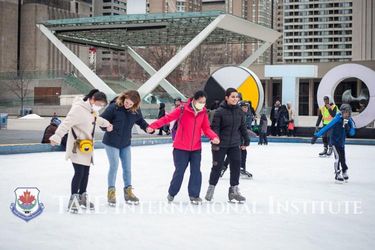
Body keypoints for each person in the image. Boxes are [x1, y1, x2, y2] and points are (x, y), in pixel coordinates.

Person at [148, 90, 220, 205]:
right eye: (200, 102)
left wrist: (213, 136)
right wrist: (153, 126)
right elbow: (167, 119)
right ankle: (172, 193)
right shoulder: (182, 109)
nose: (202, 104)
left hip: (196, 148)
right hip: (181, 148)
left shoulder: (203, 112)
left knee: (196, 171)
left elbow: (206, 128)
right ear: (194, 100)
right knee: (179, 171)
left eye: (204, 102)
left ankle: (194, 195)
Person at [49, 89, 113, 213]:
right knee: (79, 173)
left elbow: (97, 119)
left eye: (102, 106)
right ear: (92, 100)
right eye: (99, 104)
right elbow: (66, 124)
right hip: (76, 147)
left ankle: (83, 197)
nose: (99, 107)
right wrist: (57, 136)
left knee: (86, 173)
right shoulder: (78, 109)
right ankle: (73, 200)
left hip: (86, 147)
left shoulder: (91, 110)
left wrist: (107, 124)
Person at [100, 90, 151, 206]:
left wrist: (147, 127)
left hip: (125, 143)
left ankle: (128, 193)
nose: (127, 105)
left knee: (127, 168)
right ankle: (111, 193)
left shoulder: (135, 110)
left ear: (135, 104)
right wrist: (106, 127)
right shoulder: (114, 107)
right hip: (111, 142)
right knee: (114, 166)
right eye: (126, 102)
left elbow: (140, 121)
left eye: (130, 104)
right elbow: (102, 120)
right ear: (124, 98)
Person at [205, 88, 250, 203]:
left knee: (235, 166)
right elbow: (215, 128)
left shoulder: (239, 111)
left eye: (237, 97)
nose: (235, 99)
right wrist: (215, 141)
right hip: (221, 144)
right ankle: (211, 188)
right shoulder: (219, 111)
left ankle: (234, 191)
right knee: (217, 167)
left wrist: (246, 140)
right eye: (233, 97)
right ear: (227, 98)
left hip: (235, 144)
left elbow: (243, 127)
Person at [311, 104, 356, 183]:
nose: (347, 114)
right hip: (334, 142)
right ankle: (337, 173)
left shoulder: (349, 120)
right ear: (342, 112)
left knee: (343, 158)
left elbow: (352, 132)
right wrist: (316, 136)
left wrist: (348, 128)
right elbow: (327, 127)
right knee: (337, 157)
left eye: (348, 113)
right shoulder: (337, 119)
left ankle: (344, 171)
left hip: (341, 142)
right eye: (345, 113)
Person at [220, 101, 253, 179]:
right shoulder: (238, 114)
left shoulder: (244, 115)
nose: (246, 109)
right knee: (238, 152)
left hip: (240, 137)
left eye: (247, 107)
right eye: (244, 107)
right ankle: (239, 169)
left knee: (240, 152)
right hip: (236, 137)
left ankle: (225, 168)